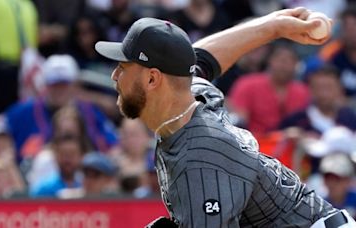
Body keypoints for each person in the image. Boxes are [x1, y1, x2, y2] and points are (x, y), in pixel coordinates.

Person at [94, 7, 356, 227]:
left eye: (122, 67)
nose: (115, 76)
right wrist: (274, 26)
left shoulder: (200, 159)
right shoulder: (190, 96)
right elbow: (201, 58)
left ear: (152, 79)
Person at [229, 41, 309, 135]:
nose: (284, 66)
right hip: (253, 142)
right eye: (281, 60)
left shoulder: (303, 91)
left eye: (290, 61)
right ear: (270, 61)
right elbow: (239, 120)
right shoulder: (247, 84)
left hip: (290, 143)